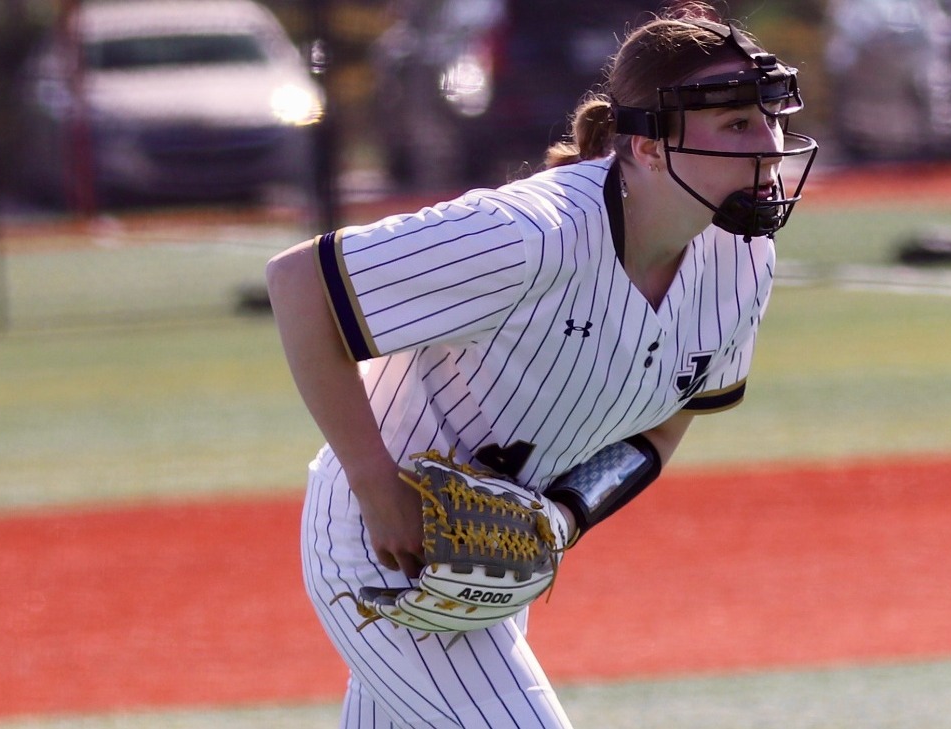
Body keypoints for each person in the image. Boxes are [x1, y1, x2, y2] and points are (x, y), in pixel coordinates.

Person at [266, 4, 818, 726]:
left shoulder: (742, 256)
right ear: (647, 148)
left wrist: (562, 514)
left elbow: (669, 423)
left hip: (480, 563)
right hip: (380, 544)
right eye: (738, 124)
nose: (770, 146)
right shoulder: (533, 233)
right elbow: (300, 284)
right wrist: (375, 488)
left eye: (770, 118)